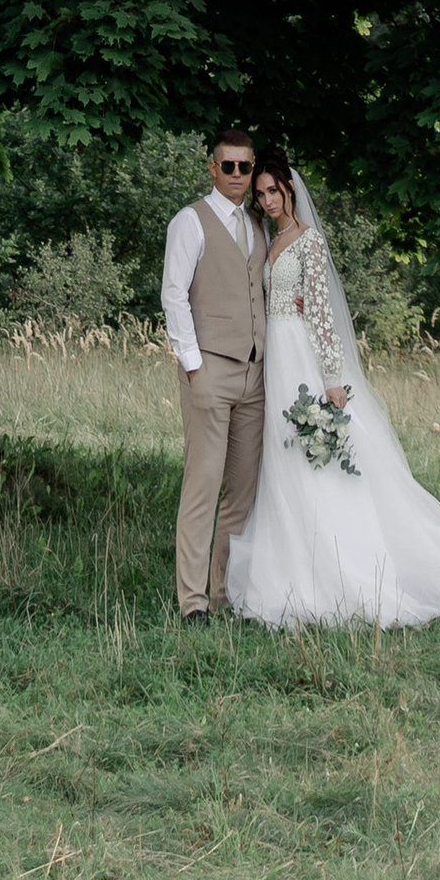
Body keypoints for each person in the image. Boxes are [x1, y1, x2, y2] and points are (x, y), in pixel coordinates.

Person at [226, 146, 440, 629]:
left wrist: (332, 379)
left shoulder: (308, 242)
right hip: (274, 357)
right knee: (281, 457)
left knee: (313, 458)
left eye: (273, 191)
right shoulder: (267, 240)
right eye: (260, 194)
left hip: (300, 354)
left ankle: (343, 567)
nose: (267, 200)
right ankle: (289, 562)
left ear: (290, 189)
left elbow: (322, 315)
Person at [159, 127, 265, 620]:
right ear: (213, 168)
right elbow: (173, 294)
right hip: (208, 374)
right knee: (202, 487)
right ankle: (192, 602)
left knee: (241, 492)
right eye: (229, 166)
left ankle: (225, 594)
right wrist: (193, 365)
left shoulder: (259, 226)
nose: (239, 175)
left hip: (254, 377)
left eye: (245, 166)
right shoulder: (191, 221)